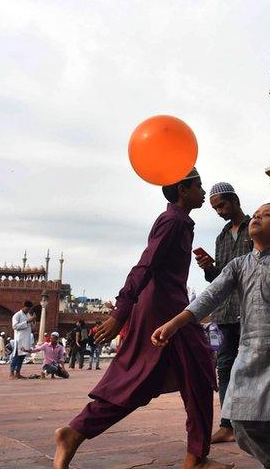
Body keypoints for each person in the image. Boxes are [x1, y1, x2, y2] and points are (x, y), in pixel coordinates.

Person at [52, 168, 228, 469]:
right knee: (181, 375)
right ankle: (195, 457)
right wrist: (121, 312)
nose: (203, 191)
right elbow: (145, 265)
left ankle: (77, 431)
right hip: (165, 314)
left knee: (147, 382)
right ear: (183, 190)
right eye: (199, 186)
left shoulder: (181, 222)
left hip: (169, 310)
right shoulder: (172, 221)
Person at [154, 197, 270, 469]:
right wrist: (174, 324)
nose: (257, 217)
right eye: (256, 213)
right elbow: (209, 297)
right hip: (249, 353)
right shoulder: (239, 265)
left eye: (266, 215)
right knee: (241, 423)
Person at [195, 181, 250, 445]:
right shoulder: (222, 236)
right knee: (225, 367)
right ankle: (227, 424)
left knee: (252, 367)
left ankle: (253, 422)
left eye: (222, 205)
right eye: (215, 208)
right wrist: (208, 268)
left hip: (251, 310)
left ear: (235, 200)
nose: (219, 212)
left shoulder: (257, 228)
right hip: (225, 312)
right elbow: (219, 280)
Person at [10, 301, 35, 379]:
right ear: (24, 306)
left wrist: (33, 320)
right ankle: (11, 373)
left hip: (26, 339)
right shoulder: (17, 315)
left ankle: (18, 372)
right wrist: (27, 321)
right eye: (27, 308)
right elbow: (14, 326)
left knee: (22, 356)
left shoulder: (28, 315)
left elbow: (31, 327)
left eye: (29, 309)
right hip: (19, 339)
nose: (28, 310)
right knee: (16, 356)